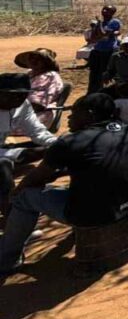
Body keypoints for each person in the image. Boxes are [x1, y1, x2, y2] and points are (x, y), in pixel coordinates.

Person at [0, 93, 128, 274]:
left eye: (75, 112)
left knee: (24, 197)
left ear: (90, 114)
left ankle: (7, 259)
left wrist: (15, 191)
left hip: (95, 214)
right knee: (89, 185)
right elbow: (96, 164)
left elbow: (36, 178)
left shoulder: (69, 142)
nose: (69, 117)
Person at [1, 74, 60, 214]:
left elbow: (37, 132)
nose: (17, 99)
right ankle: (10, 215)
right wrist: (18, 154)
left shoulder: (22, 105)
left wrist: (58, 144)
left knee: (57, 147)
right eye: (11, 95)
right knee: (3, 166)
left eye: (22, 95)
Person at [14, 48, 64, 128]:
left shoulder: (49, 77)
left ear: (47, 63)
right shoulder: (30, 74)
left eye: (39, 59)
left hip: (37, 116)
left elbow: (37, 104)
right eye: (32, 58)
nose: (34, 61)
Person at [86, 5, 122, 93]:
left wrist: (99, 26)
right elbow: (93, 37)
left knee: (105, 73)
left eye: (107, 10)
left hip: (108, 51)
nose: (104, 11)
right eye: (104, 9)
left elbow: (103, 34)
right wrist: (99, 26)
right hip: (97, 51)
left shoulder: (115, 22)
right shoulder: (100, 23)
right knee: (94, 73)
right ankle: (92, 92)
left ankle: (103, 92)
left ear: (112, 13)